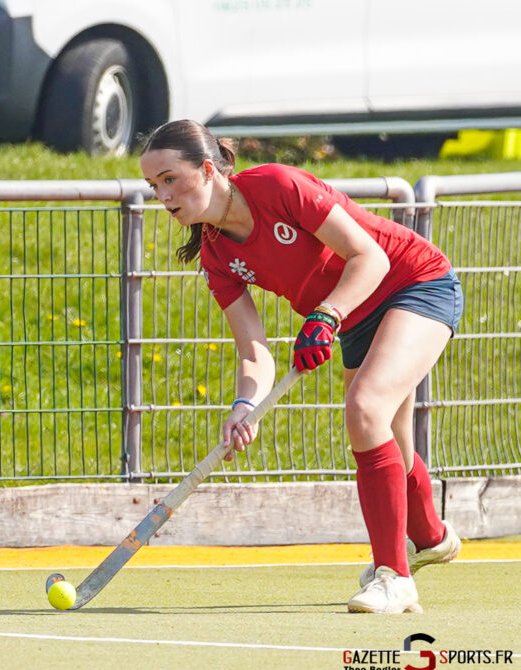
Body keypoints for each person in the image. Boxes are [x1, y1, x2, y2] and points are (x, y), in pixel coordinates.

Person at [139, 119, 463, 614]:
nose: (162, 195)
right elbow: (254, 350)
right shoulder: (216, 253)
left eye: (168, 179)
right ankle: (431, 538)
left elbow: (368, 256)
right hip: (350, 316)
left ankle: (393, 578)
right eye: (152, 186)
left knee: (365, 408)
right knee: (392, 439)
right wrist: (244, 404)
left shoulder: (277, 185)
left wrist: (326, 314)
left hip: (413, 283)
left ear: (207, 170)